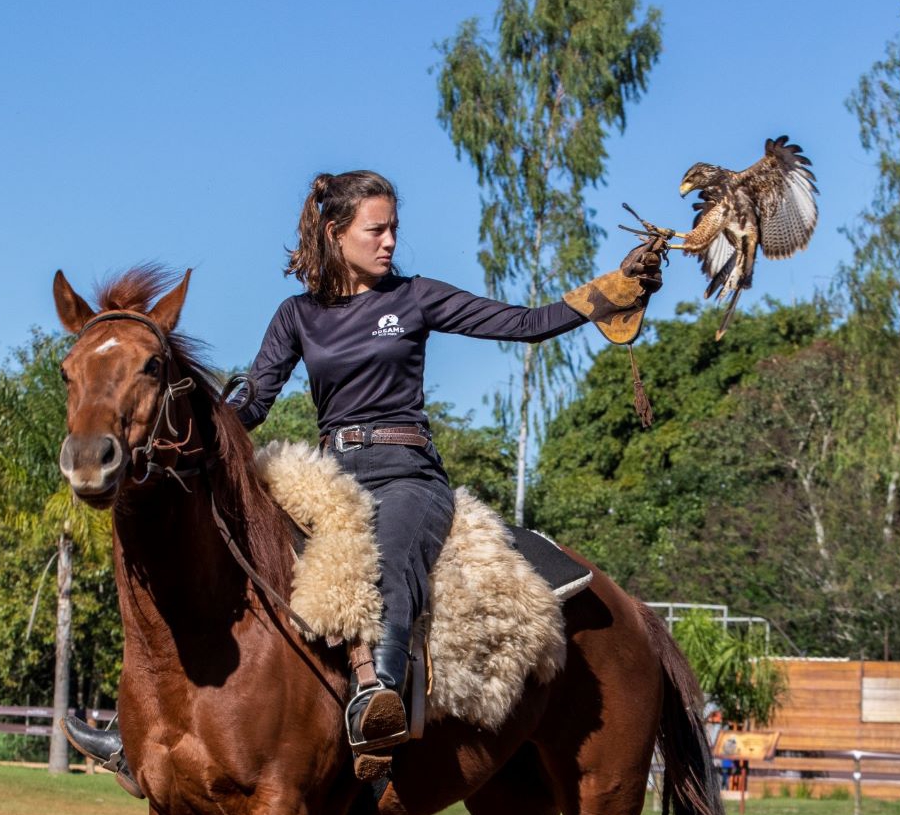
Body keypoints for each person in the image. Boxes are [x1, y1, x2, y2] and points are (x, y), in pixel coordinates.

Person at [62, 169, 663, 789]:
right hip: (324, 473)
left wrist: (606, 294)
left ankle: (378, 699)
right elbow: (253, 405)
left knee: (388, 553)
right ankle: (149, 719)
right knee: (205, 555)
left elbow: (523, 323)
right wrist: (184, 433)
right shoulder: (297, 315)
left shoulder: (415, 297)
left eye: (393, 229)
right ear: (335, 232)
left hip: (407, 474)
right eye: (376, 229)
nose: (389, 242)